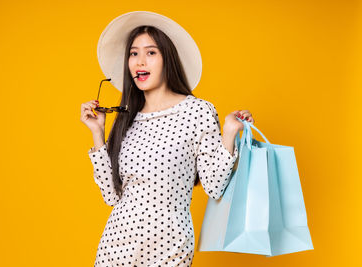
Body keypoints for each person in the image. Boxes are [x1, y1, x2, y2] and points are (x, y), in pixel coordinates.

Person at [80, 11, 255, 266]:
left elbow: (214, 186)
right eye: (134, 53)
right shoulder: (126, 118)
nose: (140, 62)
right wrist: (98, 133)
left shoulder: (197, 112)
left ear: (167, 59)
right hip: (116, 247)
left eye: (151, 53)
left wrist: (229, 132)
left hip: (169, 247)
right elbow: (112, 197)